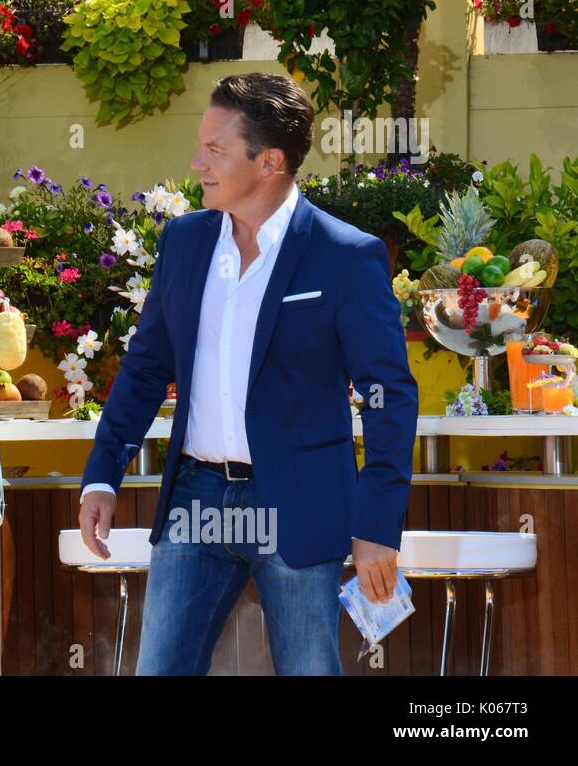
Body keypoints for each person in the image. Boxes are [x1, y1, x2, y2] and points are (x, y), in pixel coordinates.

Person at [78, 72, 417, 675]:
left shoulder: (346, 256)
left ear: (270, 162)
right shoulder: (184, 241)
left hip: (301, 500)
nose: (197, 161)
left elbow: (388, 396)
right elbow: (145, 368)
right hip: (195, 497)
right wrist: (103, 475)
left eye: (216, 149)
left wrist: (377, 525)